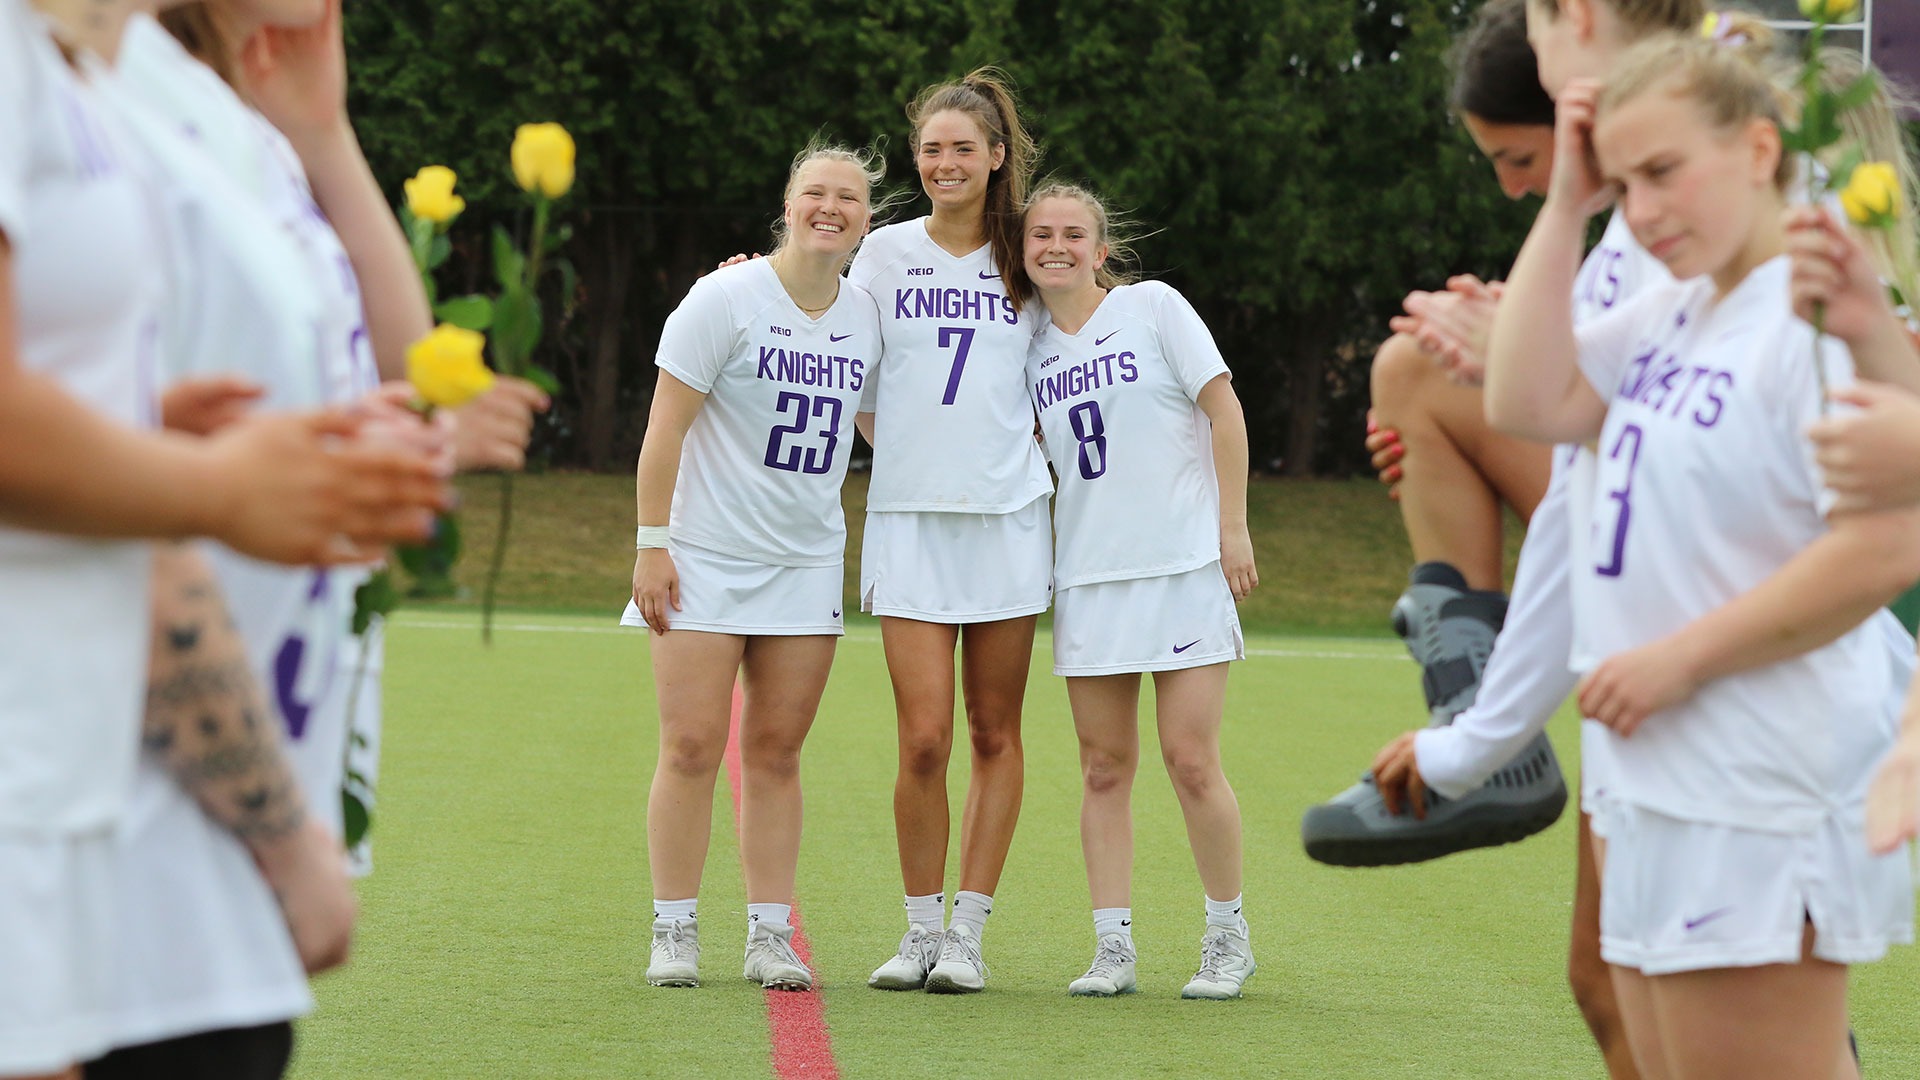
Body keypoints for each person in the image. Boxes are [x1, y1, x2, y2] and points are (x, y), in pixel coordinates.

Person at [0, 3, 445, 1077]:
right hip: (112, 798)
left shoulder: (81, 74)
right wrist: (206, 484)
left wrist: (160, 441)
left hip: (77, 784)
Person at [1483, 29, 1920, 1077]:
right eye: (1625, 182)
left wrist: (1682, 661)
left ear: (1762, 151)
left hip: (1758, 782)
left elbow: (1884, 548)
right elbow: (1526, 399)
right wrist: (1565, 205)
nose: (1645, 210)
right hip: (1661, 778)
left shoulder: (1813, 317)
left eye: (1665, 171)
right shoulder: (1682, 309)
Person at [627, 140, 882, 992]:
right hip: (702, 554)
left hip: (806, 561)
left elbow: (886, 429)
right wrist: (651, 543)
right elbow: (664, 429)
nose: (830, 209)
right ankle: (674, 928)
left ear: (866, 218)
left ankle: (770, 934)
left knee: (775, 752)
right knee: (693, 745)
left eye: (847, 198)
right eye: (816, 193)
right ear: (787, 203)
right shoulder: (724, 296)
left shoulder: (868, 315)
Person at [1020, 182, 1258, 999]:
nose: (1056, 245)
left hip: (1182, 567)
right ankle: (1112, 947)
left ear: (1101, 248)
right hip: (1088, 577)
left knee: (1192, 760)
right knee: (1102, 768)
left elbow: (1225, 412)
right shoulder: (1027, 347)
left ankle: (1227, 936)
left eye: (1072, 233)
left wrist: (1232, 529)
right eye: (1040, 234)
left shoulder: (1154, 306)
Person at [846, 68, 1051, 994]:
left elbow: (1089, 347)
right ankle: (919, 931)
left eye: (963, 147)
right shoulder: (883, 255)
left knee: (993, 731)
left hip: (1008, 525)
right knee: (922, 738)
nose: (944, 163)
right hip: (910, 527)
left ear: (997, 156)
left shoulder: (1030, 254)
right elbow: (835, 351)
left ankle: (969, 935)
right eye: (930, 148)